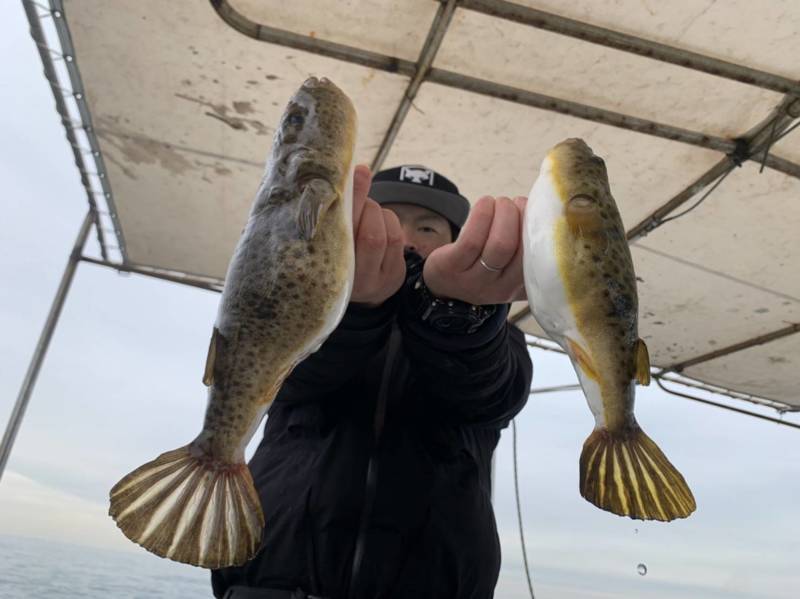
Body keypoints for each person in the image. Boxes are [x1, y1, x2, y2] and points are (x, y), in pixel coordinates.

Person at [211, 163, 533, 599]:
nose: (405, 236)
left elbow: (494, 395)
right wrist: (353, 310)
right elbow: (292, 378)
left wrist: (458, 313)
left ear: (456, 243)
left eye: (428, 227)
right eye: (387, 219)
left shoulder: (492, 333)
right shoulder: (294, 309)